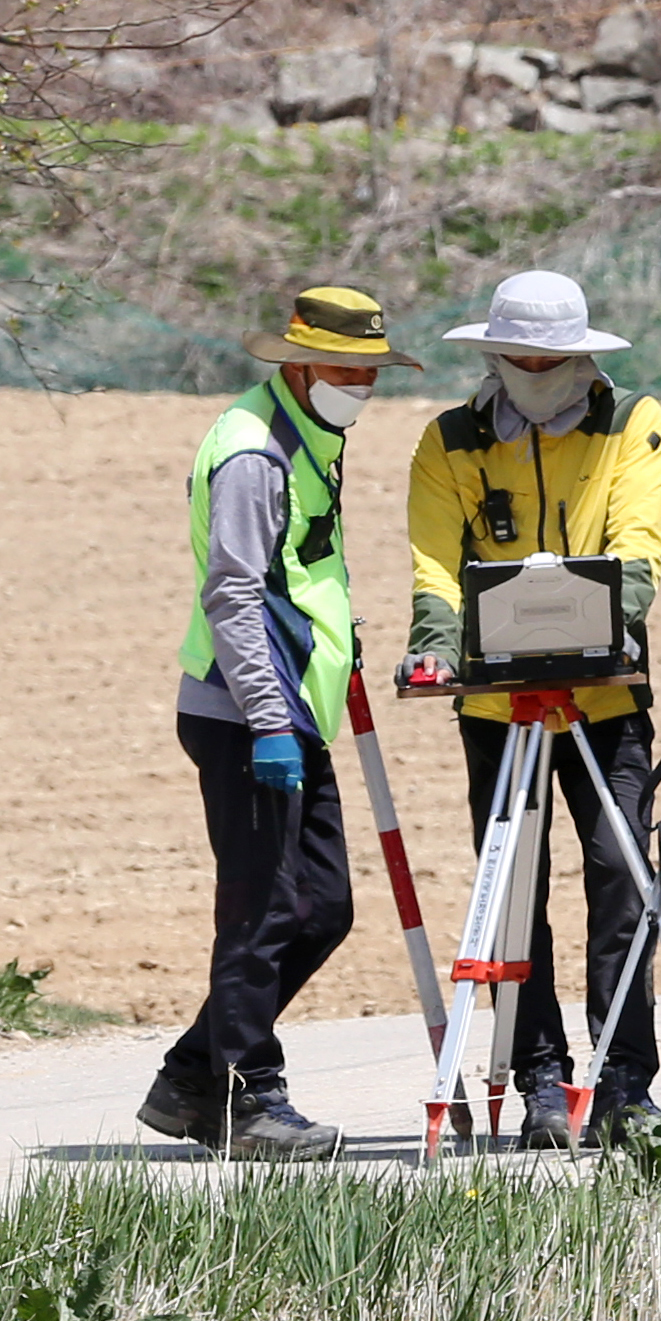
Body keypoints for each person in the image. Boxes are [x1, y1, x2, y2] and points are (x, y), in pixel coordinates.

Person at [137, 286, 420, 1160]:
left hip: (296, 709)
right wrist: (267, 721)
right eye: (347, 370)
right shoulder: (254, 454)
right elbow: (233, 592)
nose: (361, 386)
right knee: (262, 914)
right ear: (298, 364)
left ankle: (191, 1077)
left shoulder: (308, 435)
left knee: (321, 909)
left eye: (371, 372)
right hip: (252, 716)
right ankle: (247, 1100)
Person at [402, 270, 661, 1147]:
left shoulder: (635, 422)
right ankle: (542, 1083)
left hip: (606, 696)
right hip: (496, 706)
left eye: (552, 359)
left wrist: (610, 620)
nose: (535, 369)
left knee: (620, 880)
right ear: (491, 352)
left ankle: (626, 1081)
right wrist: (436, 645)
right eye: (520, 357)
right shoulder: (450, 442)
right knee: (515, 896)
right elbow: (435, 563)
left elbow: (640, 542)